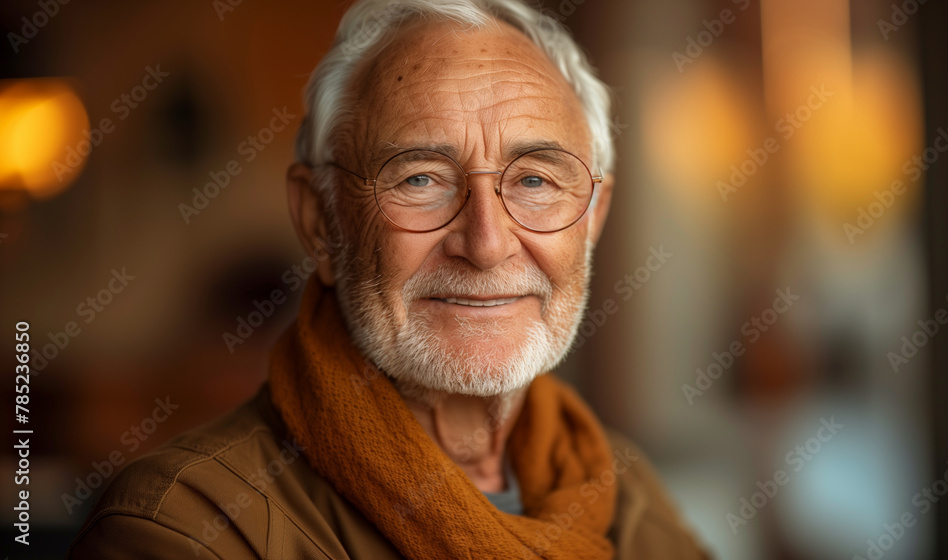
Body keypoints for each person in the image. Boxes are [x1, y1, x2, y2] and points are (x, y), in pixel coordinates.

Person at [69, 0, 710, 558]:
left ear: (593, 217)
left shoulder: (620, 485)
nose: (486, 245)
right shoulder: (185, 528)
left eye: (536, 180)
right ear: (320, 222)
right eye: (420, 179)